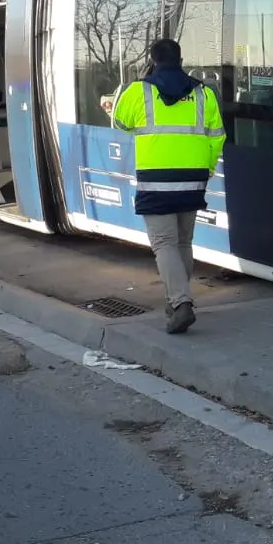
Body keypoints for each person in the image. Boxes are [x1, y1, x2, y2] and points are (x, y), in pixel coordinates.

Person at [111, 39, 226, 334]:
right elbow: (217, 137)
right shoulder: (204, 93)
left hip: (156, 181)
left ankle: (181, 303)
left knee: (163, 244)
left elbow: (121, 123)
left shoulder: (139, 91)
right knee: (183, 243)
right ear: (181, 58)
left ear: (153, 60)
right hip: (193, 180)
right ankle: (176, 299)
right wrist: (207, 170)